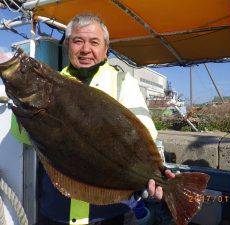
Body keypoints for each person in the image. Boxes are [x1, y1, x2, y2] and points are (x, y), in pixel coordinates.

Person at [13, 13, 175, 225]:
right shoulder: (52, 82)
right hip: (55, 209)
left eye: (94, 42)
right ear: (68, 45)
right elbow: (25, 139)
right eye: (78, 41)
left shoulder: (122, 82)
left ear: (106, 49)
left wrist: (156, 174)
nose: (86, 49)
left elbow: (144, 136)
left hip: (106, 213)